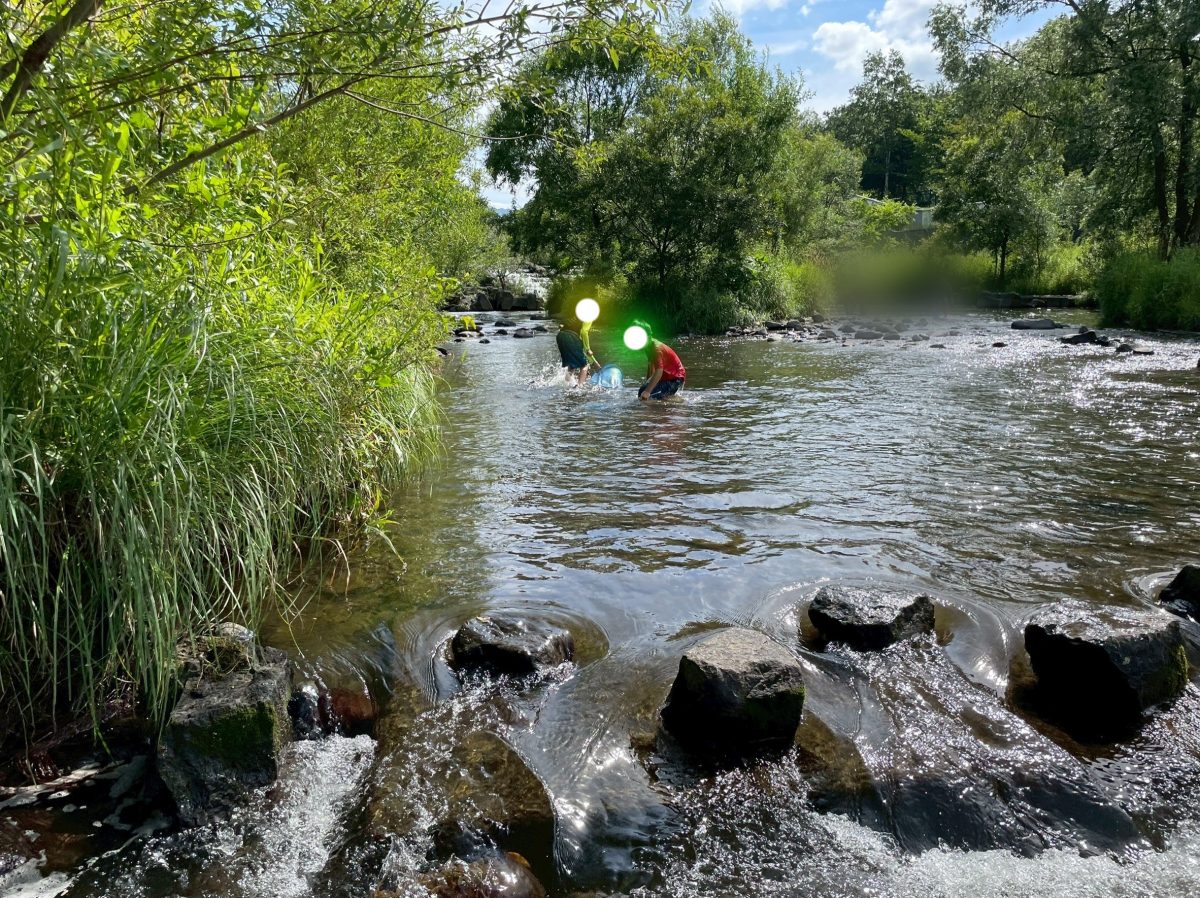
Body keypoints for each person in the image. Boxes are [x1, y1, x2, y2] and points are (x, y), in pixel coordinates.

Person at [636, 322, 686, 400]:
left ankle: (676, 401)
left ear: (648, 337)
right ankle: (668, 397)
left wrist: (648, 391)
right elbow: (651, 366)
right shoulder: (647, 347)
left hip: (675, 378)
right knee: (641, 392)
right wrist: (646, 386)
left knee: (651, 397)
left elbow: (659, 371)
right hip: (666, 377)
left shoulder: (657, 349)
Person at [556, 315, 598, 386]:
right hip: (571, 336)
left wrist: (594, 361)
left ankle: (566, 385)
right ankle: (579, 387)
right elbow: (584, 332)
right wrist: (588, 349)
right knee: (584, 365)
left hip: (560, 336)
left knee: (571, 365)